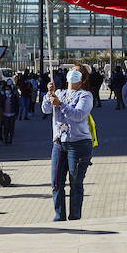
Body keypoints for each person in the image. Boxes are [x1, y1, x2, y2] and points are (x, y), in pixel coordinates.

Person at [43, 62, 94, 222]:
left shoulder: (85, 95)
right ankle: (59, 216)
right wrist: (49, 94)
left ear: (83, 78)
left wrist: (60, 104)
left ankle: (75, 217)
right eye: (71, 70)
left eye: (77, 72)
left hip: (78, 144)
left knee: (75, 182)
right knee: (56, 182)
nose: (72, 73)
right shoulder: (60, 92)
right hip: (59, 143)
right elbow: (45, 109)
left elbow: (78, 115)